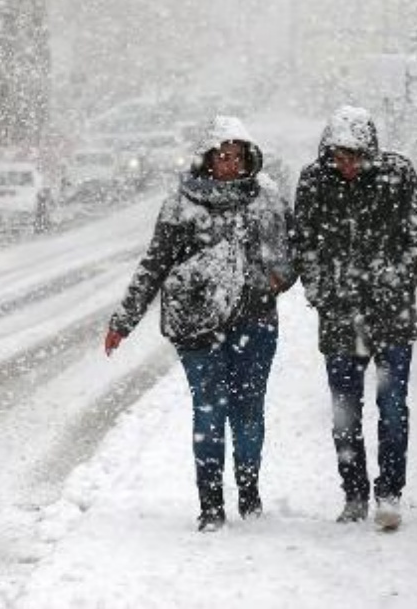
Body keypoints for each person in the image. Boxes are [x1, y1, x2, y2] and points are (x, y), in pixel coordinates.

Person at [104, 116, 296, 532]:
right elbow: (154, 264)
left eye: (237, 156)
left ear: (249, 158)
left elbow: (291, 256)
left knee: (247, 413)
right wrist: (125, 319)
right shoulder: (181, 204)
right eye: (222, 155)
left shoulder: (268, 201)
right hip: (199, 329)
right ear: (207, 158)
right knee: (208, 413)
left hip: (255, 324)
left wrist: (273, 278)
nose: (229, 163)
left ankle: (249, 493)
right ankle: (210, 504)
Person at [292, 105, 417, 530]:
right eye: (338, 155)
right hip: (340, 318)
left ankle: (389, 492)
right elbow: (303, 242)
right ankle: (353, 493)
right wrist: (321, 291)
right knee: (345, 411)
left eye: (354, 155)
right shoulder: (314, 181)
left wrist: (398, 281)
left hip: (391, 315)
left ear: (369, 149)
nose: (347, 164)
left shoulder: (398, 174)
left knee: (392, 408)